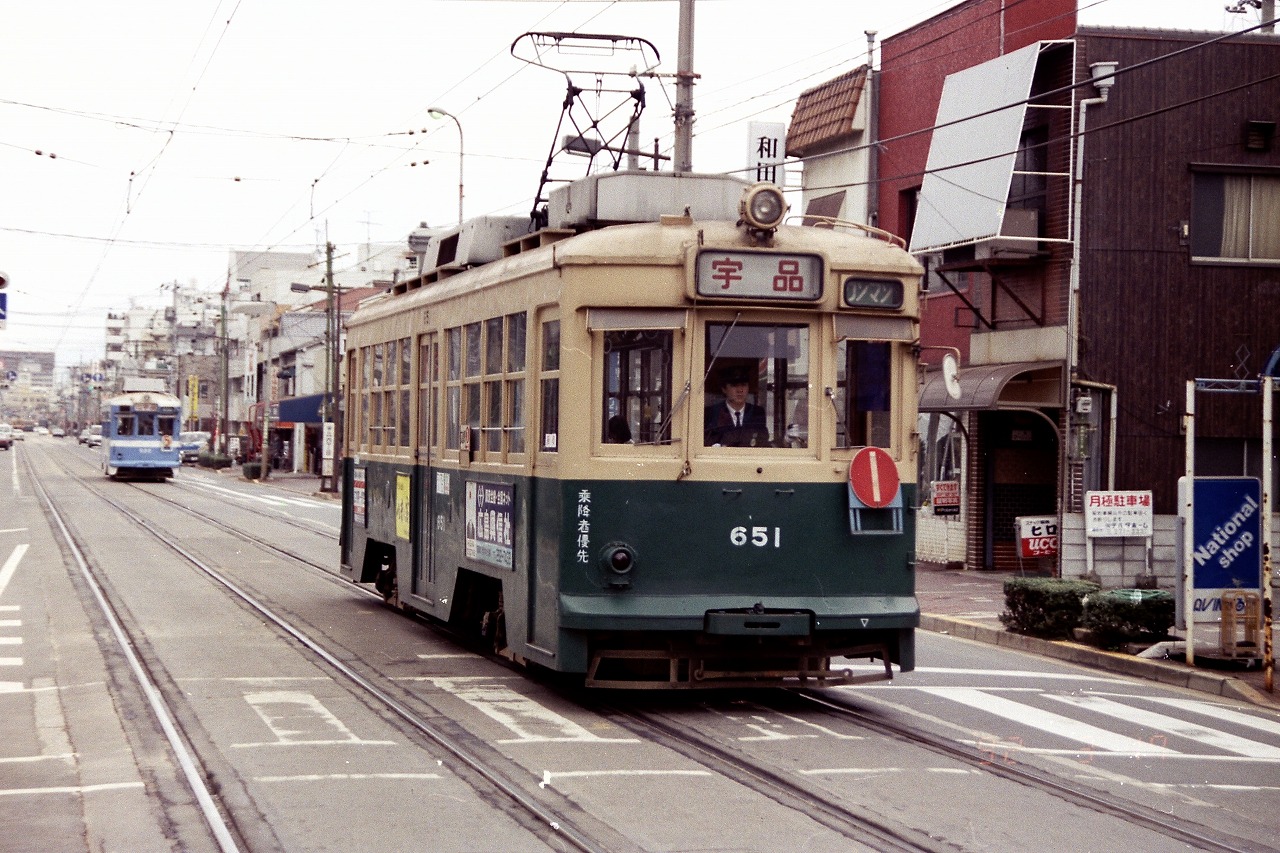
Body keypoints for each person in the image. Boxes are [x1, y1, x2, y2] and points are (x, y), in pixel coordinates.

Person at [704, 365, 768, 447]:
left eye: (744, 385)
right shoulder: (711, 413)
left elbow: (762, 442)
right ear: (724, 389)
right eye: (734, 385)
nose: (740, 390)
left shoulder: (757, 412)